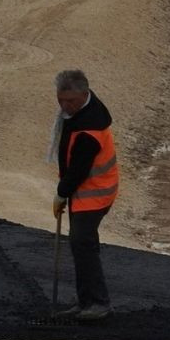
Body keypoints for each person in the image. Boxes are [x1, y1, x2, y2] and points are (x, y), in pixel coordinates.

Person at [48, 69, 119, 322]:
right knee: (80, 244)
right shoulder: (81, 112)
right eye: (61, 100)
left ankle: (99, 303)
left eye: (71, 102)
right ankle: (86, 301)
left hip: (94, 192)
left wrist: (61, 193)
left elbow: (78, 170)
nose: (65, 106)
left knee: (83, 244)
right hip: (85, 190)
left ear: (85, 94)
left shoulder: (89, 130)